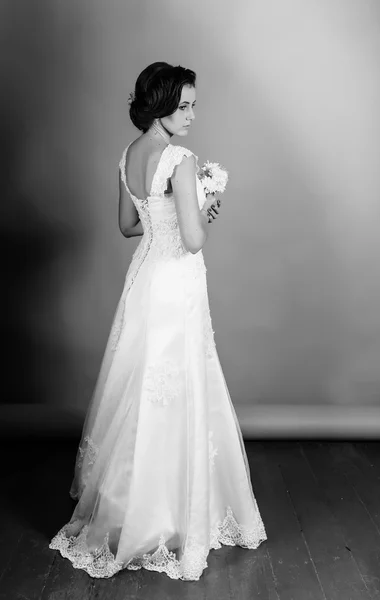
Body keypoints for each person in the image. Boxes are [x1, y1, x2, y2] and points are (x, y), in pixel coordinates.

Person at [49, 61, 267, 581]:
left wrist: (171, 209)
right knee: (177, 387)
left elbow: (129, 225)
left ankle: (133, 511)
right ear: (160, 106)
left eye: (193, 104)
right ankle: (171, 515)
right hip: (178, 283)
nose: (192, 115)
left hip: (145, 278)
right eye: (184, 105)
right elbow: (193, 240)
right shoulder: (181, 158)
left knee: (141, 386)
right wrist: (205, 200)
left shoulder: (127, 156)